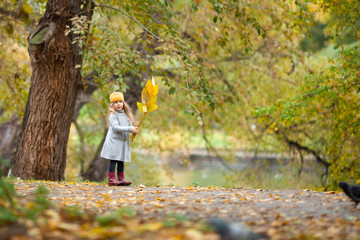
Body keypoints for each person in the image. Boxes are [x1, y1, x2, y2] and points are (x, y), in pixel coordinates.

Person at [100, 92, 139, 186]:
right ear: (112, 105)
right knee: (114, 160)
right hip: (114, 141)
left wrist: (133, 131)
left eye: (120, 101)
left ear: (123, 103)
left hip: (122, 141)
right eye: (116, 102)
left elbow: (129, 126)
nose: (118, 104)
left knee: (121, 160)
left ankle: (121, 178)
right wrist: (130, 129)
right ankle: (111, 179)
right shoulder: (113, 115)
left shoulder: (126, 115)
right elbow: (116, 128)